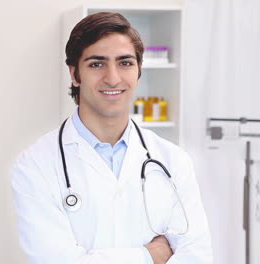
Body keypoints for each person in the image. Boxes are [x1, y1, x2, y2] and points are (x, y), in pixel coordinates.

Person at [11, 12, 212, 264]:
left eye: (125, 63)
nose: (113, 78)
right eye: (97, 63)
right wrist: (149, 256)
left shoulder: (173, 161)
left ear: (138, 71)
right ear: (75, 74)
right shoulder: (35, 165)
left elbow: (197, 256)